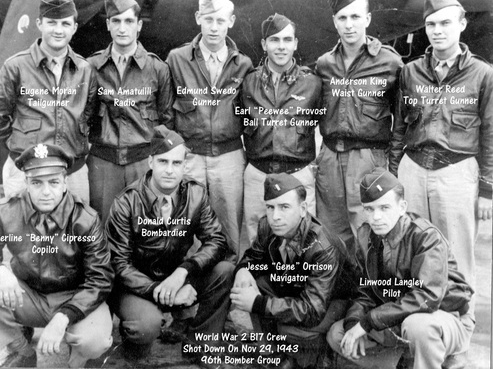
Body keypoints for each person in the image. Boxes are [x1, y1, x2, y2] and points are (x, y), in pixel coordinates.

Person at [390, 0, 493, 313]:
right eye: (431, 24)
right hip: (413, 169)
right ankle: (416, 330)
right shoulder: (411, 72)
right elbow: (399, 128)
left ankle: (458, 334)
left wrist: (488, 190)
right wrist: (394, 175)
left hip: (457, 172)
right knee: (411, 252)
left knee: (457, 259)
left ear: (462, 25)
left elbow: (490, 133)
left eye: (446, 23)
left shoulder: (482, 74)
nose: (438, 30)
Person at [0, 144, 114, 368]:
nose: (46, 191)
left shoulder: (86, 219)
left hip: (75, 296)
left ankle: (75, 360)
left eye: (53, 182)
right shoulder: (5, 210)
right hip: (29, 295)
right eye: (37, 183)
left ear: (65, 183)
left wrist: (63, 318)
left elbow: (100, 279)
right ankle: (21, 351)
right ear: (26, 183)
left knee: (94, 342)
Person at [105, 125, 234, 363]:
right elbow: (119, 264)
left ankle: (200, 345)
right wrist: (159, 291)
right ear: (150, 162)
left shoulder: (195, 194)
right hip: (137, 285)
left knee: (224, 271)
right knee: (146, 326)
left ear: (185, 166)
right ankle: (133, 346)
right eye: (163, 162)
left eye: (176, 164)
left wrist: (183, 272)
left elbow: (216, 240)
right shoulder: (126, 202)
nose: (169, 171)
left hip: (176, 276)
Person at [328, 168, 474, 369]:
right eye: (369, 209)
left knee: (418, 327)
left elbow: (427, 297)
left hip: (444, 316)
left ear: (402, 207)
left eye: (384, 208)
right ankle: (404, 361)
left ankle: (436, 358)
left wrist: (368, 322)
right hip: (396, 317)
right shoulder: (364, 236)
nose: (376, 217)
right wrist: (355, 323)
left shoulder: (425, 236)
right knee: (339, 335)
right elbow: (364, 292)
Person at [0, 0, 96, 202]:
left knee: (73, 233)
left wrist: (79, 147)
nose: (58, 30)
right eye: (51, 23)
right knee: (26, 233)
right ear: (39, 24)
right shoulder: (15, 67)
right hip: (27, 172)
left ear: (74, 28)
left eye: (65, 24)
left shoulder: (85, 70)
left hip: (72, 175)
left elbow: (90, 115)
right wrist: (17, 145)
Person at [315, 0, 403, 255]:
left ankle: (369, 295)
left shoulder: (390, 62)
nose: (349, 25)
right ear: (334, 22)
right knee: (330, 232)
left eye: (355, 17)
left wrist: (394, 170)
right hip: (330, 156)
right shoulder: (324, 64)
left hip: (369, 158)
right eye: (342, 18)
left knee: (368, 229)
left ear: (367, 19)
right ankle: (337, 293)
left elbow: (399, 124)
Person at [166, 0, 253, 259]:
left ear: (231, 21)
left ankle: (229, 287)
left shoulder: (243, 64)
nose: (214, 28)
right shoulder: (177, 59)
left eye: (220, 20)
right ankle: (191, 286)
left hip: (228, 158)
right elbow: (167, 113)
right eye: (208, 19)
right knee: (187, 228)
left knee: (230, 230)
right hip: (190, 156)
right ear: (198, 18)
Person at [231, 173, 341, 369]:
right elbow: (253, 256)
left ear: (303, 209)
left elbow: (313, 310)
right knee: (255, 283)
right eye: (270, 207)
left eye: (284, 207)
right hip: (301, 292)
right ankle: (272, 356)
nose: (275, 217)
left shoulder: (323, 246)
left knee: (287, 326)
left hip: (333, 302)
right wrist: (243, 269)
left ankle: (320, 355)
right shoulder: (267, 225)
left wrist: (258, 303)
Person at [87, 0, 173, 220]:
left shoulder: (157, 69)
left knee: (145, 231)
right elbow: (82, 118)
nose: (122, 28)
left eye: (129, 21)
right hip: (103, 163)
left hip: (142, 162)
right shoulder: (92, 67)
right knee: (104, 228)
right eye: (116, 21)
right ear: (107, 25)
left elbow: (167, 120)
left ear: (139, 25)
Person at [240, 13, 321, 244]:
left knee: (303, 239)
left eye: (287, 40)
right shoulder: (248, 82)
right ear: (264, 44)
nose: (281, 46)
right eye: (274, 40)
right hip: (258, 174)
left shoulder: (313, 83)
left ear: (295, 44)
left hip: (297, 174)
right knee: (258, 239)